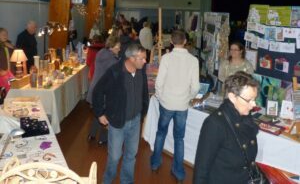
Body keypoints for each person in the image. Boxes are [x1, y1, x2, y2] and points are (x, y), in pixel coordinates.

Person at [92, 43, 149, 184]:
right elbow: (97, 91)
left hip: (135, 121)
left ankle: (127, 181)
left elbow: (144, 92)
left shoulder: (141, 70)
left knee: (131, 155)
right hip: (117, 122)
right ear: (131, 58)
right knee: (115, 156)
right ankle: (107, 180)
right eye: (142, 58)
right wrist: (100, 113)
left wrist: (143, 111)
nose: (145, 61)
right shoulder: (114, 72)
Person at [150, 29, 200, 183]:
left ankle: (155, 163)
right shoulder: (193, 60)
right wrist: (189, 98)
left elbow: (159, 83)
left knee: (160, 133)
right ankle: (178, 172)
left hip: (166, 103)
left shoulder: (166, 58)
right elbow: (196, 87)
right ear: (185, 41)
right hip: (182, 105)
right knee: (179, 139)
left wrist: (160, 97)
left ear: (171, 41)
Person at [193, 71, 259, 184]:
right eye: (249, 100)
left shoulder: (245, 117)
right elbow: (202, 168)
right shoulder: (215, 124)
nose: (254, 105)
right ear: (232, 97)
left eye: (254, 99)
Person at [86, 35, 121, 144]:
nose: (119, 49)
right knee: (106, 114)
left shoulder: (102, 52)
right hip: (102, 91)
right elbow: (119, 68)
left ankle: (91, 135)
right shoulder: (110, 59)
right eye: (118, 47)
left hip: (94, 89)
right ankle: (103, 139)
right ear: (112, 46)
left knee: (98, 113)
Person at [0, 28, 15, 95]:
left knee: (12, 91)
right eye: (3, 34)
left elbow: (19, 53)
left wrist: (13, 47)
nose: (5, 36)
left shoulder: (9, 44)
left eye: (6, 34)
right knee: (4, 93)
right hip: (2, 73)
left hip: (10, 72)